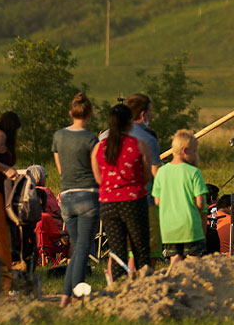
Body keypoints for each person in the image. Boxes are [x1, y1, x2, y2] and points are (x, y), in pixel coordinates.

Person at [92, 103, 152, 275]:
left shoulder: (99, 147)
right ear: (130, 122)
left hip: (108, 203)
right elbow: (146, 176)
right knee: (140, 247)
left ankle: (118, 288)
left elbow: (98, 178)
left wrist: (112, 187)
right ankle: (144, 284)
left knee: (117, 251)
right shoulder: (139, 145)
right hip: (134, 201)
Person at [52, 93, 99, 307]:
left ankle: (65, 297)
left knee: (76, 246)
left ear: (71, 113)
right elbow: (97, 173)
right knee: (82, 248)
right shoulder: (91, 139)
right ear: (89, 114)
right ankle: (73, 295)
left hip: (67, 197)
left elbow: (61, 169)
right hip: (88, 195)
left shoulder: (58, 136)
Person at [152, 130, 208, 264]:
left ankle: (175, 284)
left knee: (175, 259)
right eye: (194, 151)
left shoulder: (161, 172)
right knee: (194, 261)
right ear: (184, 150)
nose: (195, 155)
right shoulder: (194, 172)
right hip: (190, 226)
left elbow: (157, 201)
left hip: (169, 228)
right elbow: (200, 203)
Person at [0, 111, 21, 294]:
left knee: (1, 239)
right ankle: (2, 286)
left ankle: (3, 283)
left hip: (0, 194)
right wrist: (5, 170)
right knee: (0, 240)